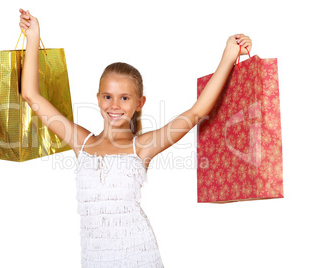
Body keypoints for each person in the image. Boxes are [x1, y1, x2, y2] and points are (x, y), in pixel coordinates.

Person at [18, 8, 252, 267]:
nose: (114, 105)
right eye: (108, 96)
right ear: (98, 99)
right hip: (94, 259)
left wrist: (229, 56)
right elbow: (31, 95)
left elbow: (196, 112)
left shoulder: (142, 147)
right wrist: (33, 36)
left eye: (124, 98)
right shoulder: (81, 142)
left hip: (138, 256)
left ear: (139, 103)